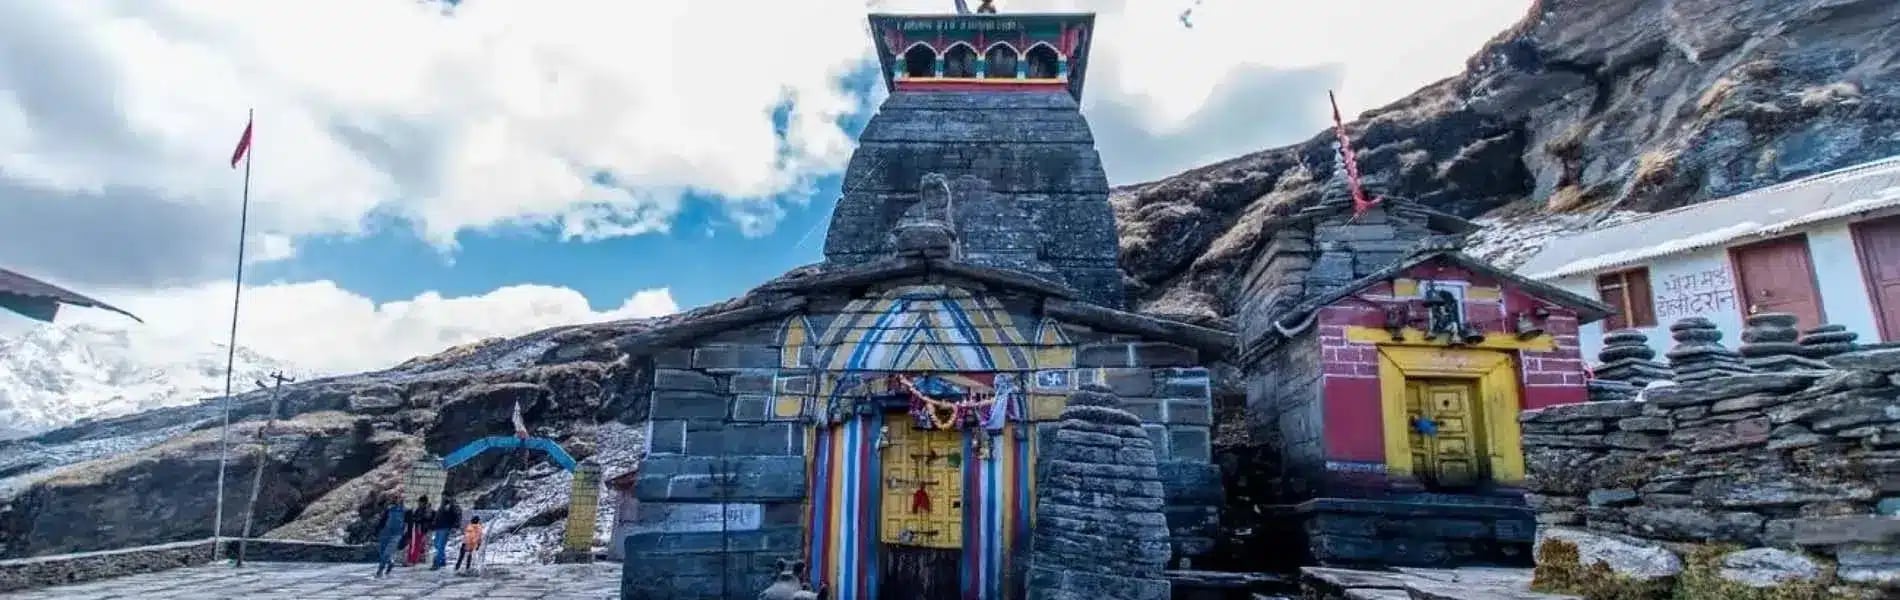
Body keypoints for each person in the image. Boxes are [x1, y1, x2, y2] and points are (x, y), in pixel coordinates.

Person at [372, 494, 406, 578]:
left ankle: (380, 569)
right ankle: (391, 562)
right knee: (382, 552)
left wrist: (406, 537)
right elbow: (382, 520)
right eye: (396, 498)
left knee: (387, 552)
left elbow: (408, 524)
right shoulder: (389, 509)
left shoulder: (406, 511)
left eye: (399, 498)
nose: (397, 500)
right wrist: (376, 531)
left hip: (397, 534)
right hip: (386, 533)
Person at [430, 497, 462, 570]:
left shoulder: (452, 508)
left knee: (440, 545)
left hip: (445, 528)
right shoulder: (441, 508)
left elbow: (456, 517)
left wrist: (454, 526)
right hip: (439, 527)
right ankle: (442, 560)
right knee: (436, 544)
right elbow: (437, 517)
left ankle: (437, 562)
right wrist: (434, 525)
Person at [405, 495, 433, 566]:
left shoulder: (426, 509)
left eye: (420, 502)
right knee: (415, 544)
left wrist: (417, 519)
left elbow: (426, 518)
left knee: (416, 545)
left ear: (423, 502)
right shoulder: (420, 509)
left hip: (421, 529)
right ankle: (413, 559)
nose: (419, 503)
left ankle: (412, 560)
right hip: (418, 528)